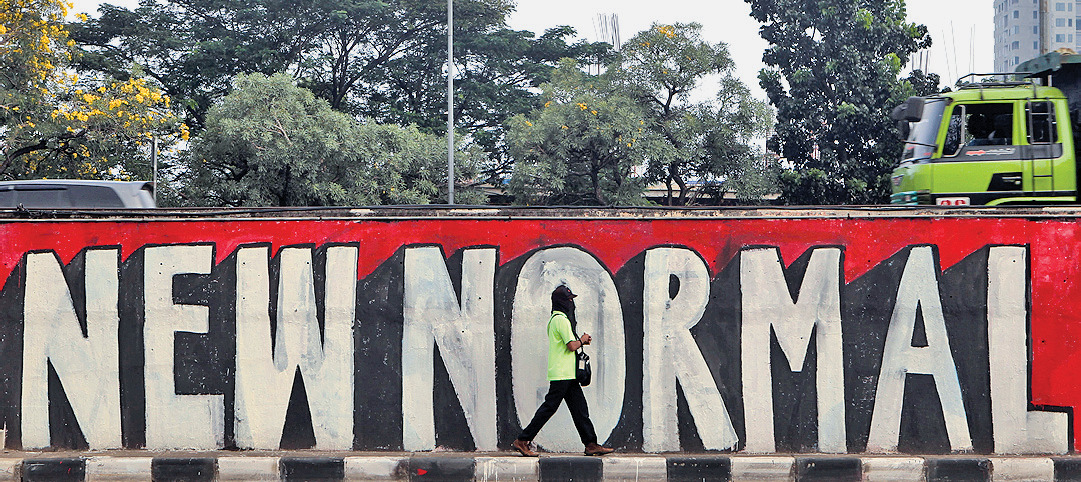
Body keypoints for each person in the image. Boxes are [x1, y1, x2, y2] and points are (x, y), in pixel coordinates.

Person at [511, 285, 615, 457]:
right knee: (549, 408)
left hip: (568, 374)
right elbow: (571, 345)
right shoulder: (561, 320)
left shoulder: (555, 319)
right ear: (562, 302)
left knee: (580, 409)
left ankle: (591, 444)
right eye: (569, 299)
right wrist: (582, 340)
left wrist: (580, 342)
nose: (571, 303)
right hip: (562, 374)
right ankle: (523, 440)